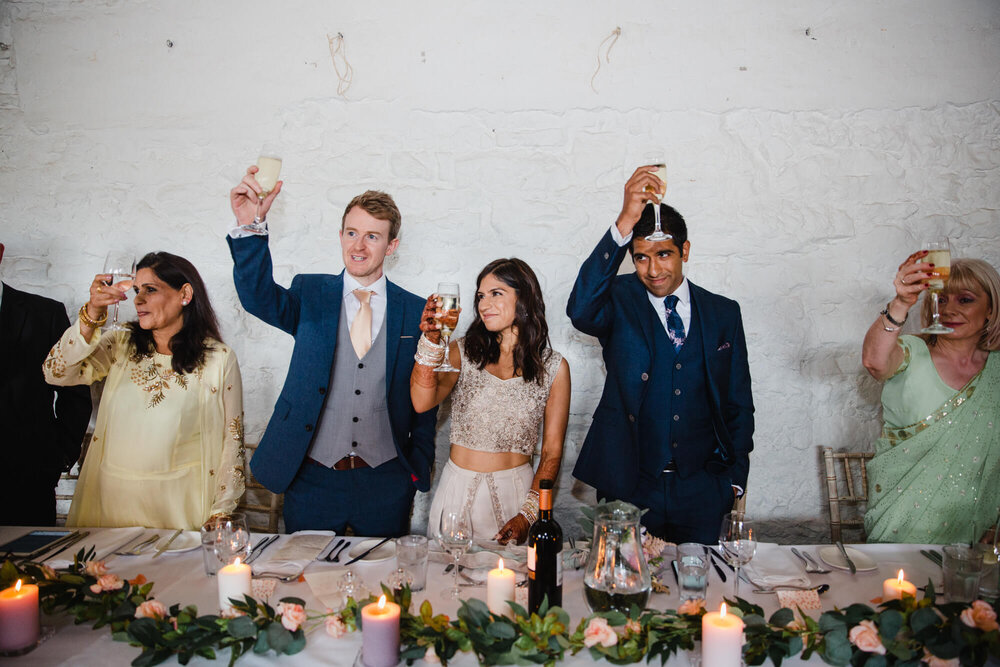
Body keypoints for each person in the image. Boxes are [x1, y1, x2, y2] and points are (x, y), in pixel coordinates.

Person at [227, 167, 436, 535]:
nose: (359, 246)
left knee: (383, 585)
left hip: (385, 482)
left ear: (392, 245)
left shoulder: (418, 310)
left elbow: (426, 395)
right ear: (340, 235)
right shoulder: (310, 293)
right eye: (352, 233)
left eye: (373, 236)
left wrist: (416, 468)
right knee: (305, 581)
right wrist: (250, 227)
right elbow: (258, 297)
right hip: (312, 479)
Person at [567, 165, 754, 544]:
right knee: (620, 589)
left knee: (699, 594)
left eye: (664, 254)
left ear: (685, 250)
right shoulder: (617, 298)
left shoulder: (723, 313)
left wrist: (733, 482)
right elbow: (580, 310)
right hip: (630, 485)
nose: (653, 270)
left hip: (702, 490)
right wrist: (624, 222)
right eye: (640, 258)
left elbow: (738, 401)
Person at [42, 252, 245, 529]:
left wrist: (222, 511)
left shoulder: (218, 358)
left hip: (178, 509)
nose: (138, 299)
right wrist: (91, 314)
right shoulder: (120, 344)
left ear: (185, 293)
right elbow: (56, 373)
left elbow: (231, 440)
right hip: (110, 503)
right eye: (137, 290)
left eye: (150, 289)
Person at [410, 258, 570, 544]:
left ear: (525, 297)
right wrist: (432, 339)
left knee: (513, 586)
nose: (484, 304)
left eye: (496, 293)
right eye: (480, 296)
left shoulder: (554, 368)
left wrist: (529, 514)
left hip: (515, 497)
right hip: (456, 492)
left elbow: (551, 452)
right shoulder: (462, 352)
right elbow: (422, 402)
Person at [862, 255, 1000, 544]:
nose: (950, 309)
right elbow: (875, 362)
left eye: (965, 300)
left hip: (978, 532)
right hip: (902, 525)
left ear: (990, 309)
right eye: (941, 300)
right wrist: (900, 302)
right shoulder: (912, 351)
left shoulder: (996, 371)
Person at [0, 243, 92, 525]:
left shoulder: (45, 313)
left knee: (34, 569)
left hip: (27, 481)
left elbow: (75, 392)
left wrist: (58, 455)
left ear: (0, 251)